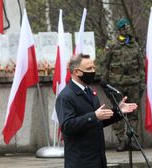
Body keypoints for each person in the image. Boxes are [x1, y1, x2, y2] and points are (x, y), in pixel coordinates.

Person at [55, 54, 138, 168]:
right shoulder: (66, 96)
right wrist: (94, 116)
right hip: (80, 162)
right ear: (77, 72)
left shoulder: (89, 91)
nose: (93, 71)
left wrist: (118, 112)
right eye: (89, 69)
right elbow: (67, 126)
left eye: (94, 68)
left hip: (98, 159)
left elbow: (97, 121)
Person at [101, 18, 145, 152]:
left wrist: (142, 83)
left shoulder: (135, 45)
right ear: (119, 30)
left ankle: (132, 140)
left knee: (133, 112)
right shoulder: (112, 45)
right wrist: (104, 83)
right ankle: (121, 141)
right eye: (124, 28)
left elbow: (141, 66)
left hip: (133, 83)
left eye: (127, 28)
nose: (126, 30)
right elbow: (104, 64)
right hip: (116, 84)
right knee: (118, 112)